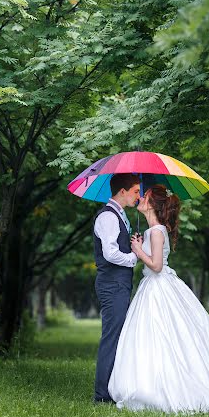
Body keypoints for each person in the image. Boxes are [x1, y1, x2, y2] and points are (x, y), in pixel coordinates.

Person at [108, 184, 209, 413]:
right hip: (153, 286)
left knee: (163, 334)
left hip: (157, 286)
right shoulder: (155, 230)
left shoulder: (157, 231)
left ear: (153, 205)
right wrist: (141, 247)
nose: (140, 198)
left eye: (146, 196)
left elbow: (157, 266)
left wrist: (138, 250)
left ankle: (164, 387)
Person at [93, 173, 141, 403]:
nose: (138, 196)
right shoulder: (108, 217)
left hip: (119, 283)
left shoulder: (120, 216)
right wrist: (134, 257)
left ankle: (112, 389)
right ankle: (102, 395)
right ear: (122, 192)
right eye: (135, 191)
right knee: (111, 337)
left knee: (118, 336)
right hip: (112, 284)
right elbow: (110, 254)